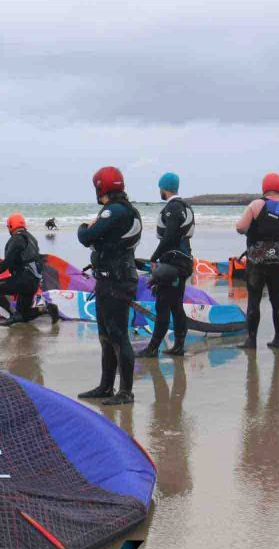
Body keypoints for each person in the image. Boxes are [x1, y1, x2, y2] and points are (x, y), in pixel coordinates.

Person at [77, 166, 143, 405]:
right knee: (106, 335)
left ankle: (125, 392)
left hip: (116, 280)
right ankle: (106, 386)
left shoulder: (114, 211)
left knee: (117, 335)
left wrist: (83, 226)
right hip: (111, 279)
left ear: (99, 187)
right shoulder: (125, 210)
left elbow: (86, 238)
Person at [234, 173, 279, 350]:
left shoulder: (256, 205)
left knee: (254, 300)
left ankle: (251, 341)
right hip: (278, 262)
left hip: (257, 262)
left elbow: (240, 228)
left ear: (264, 187)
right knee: (277, 300)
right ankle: (278, 340)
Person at [137, 171, 194, 358]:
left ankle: (152, 348)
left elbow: (169, 236)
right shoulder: (185, 206)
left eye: (160, 188)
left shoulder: (173, 207)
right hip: (183, 261)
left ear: (164, 188)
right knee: (176, 305)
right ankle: (178, 345)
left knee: (163, 304)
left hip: (174, 264)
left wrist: (154, 257)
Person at [0, 213, 60, 326]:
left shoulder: (17, 239)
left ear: (10, 226)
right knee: (23, 315)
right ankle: (46, 309)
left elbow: (7, 262)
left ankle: (11, 314)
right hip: (34, 282)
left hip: (23, 280)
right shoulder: (32, 238)